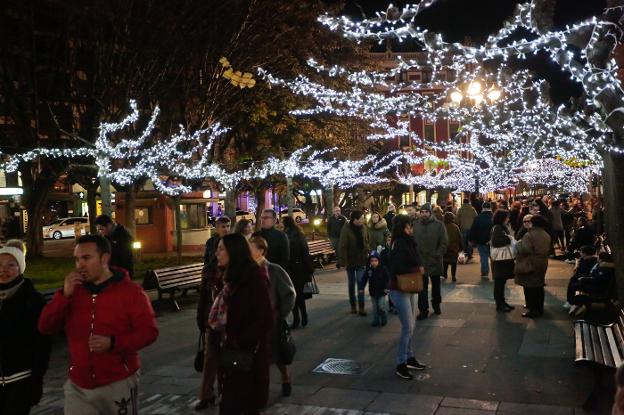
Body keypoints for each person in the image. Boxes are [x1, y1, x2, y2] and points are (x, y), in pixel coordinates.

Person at [39, 234, 158, 414]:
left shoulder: (131, 292)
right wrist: (63, 296)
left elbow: (149, 332)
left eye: (86, 258)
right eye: (77, 259)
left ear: (104, 258)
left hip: (118, 381)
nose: (80, 265)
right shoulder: (73, 292)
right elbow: (45, 326)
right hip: (78, 384)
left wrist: (114, 342)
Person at [208, 233, 273, 415]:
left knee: (241, 404)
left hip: (246, 357)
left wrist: (240, 341)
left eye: (221, 249)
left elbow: (265, 318)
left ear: (234, 252)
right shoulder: (227, 279)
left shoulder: (253, 278)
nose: (217, 254)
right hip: (229, 355)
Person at [0, 240, 51, 414]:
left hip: (21, 381)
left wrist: (36, 380)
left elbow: (43, 345)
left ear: (20, 268)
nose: (3, 270)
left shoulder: (33, 301)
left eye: (10, 265)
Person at [249, 236, 296, 397]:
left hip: (271, 321)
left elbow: (289, 294)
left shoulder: (274, 270)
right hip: (253, 321)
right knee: (258, 357)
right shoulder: (248, 270)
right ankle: (260, 389)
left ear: (261, 250)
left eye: (251, 248)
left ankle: (285, 378)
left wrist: (280, 314)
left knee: (276, 355)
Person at [388, 215, 426, 379]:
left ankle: (409, 357)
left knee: (412, 324)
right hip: (399, 286)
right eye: (410, 226)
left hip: (410, 285)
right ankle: (401, 363)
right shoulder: (399, 243)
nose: (412, 228)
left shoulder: (409, 241)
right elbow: (397, 266)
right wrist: (416, 268)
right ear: (403, 227)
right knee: (407, 327)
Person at [413, 203, 448, 318]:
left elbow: (444, 242)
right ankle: (423, 310)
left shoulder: (438, 225)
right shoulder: (416, 225)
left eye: (426, 212)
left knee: (436, 286)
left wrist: (438, 254)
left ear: (430, 213)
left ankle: (436, 304)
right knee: (421, 288)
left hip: (434, 260)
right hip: (420, 261)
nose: (423, 214)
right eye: (422, 212)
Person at [514, 215, 552, 318]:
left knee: (530, 286)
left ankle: (533, 309)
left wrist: (519, 245)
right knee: (539, 285)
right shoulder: (546, 234)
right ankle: (539, 308)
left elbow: (525, 250)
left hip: (531, 263)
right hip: (543, 262)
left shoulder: (529, 235)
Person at [282, 216, 314, 329]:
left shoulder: (286, 235)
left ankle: (297, 319)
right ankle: (302, 316)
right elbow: (305, 252)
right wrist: (309, 269)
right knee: (298, 295)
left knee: (295, 294)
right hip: (298, 268)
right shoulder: (298, 234)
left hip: (292, 269)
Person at [338, 210, 369, 316]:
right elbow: (343, 246)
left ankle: (361, 307)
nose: (362, 221)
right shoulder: (346, 229)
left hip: (361, 260)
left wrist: (368, 252)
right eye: (360, 219)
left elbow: (366, 241)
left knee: (361, 282)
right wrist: (344, 261)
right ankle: (353, 305)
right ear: (354, 220)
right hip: (350, 261)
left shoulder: (364, 228)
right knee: (352, 284)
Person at [569, 252, 615, 317]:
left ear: (601, 259)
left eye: (598, 258)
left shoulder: (604, 268)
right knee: (574, 283)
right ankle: (574, 303)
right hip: (594, 285)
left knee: (575, 287)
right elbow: (594, 276)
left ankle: (574, 302)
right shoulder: (601, 265)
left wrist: (584, 279)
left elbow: (597, 279)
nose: (597, 259)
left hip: (597, 288)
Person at [489, 210, 516, 312]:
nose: (508, 219)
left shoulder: (500, 227)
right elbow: (496, 242)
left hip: (502, 260)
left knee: (501, 282)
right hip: (499, 260)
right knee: (499, 283)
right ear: (502, 218)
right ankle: (499, 304)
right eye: (507, 217)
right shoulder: (497, 228)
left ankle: (502, 302)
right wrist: (508, 239)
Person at [565, 245, 598, 314]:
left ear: (585, 253)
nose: (580, 253)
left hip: (586, 280)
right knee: (572, 281)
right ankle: (570, 301)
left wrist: (579, 277)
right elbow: (580, 270)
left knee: (573, 285)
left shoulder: (592, 261)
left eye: (581, 252)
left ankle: (571, 301)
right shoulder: (583, 259)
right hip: (582, 278)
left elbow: (588, 273)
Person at [360, 251, 390, 327]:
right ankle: (376, 320)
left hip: (382, 292)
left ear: (379, 261)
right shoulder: (369, 270)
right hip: (373, 292)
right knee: (375, 307)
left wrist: (387, 288)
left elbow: (387, 279)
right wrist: (361, 288)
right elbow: (364, 279)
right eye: (372, 261)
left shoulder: (383, 269)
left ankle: (383, 318)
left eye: (375, 261)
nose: (373, 262)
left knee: (381, 306)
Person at [469, 201, 494, 279]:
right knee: (493, 257)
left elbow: (473, 229)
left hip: (481, 241)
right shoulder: (494, 217)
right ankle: (495, 273)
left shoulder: (478, 218)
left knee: (483, 257)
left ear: (483, 208)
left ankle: (484, 273)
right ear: (490, 208)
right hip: (492, 241)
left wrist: (471, 239)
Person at [443, 212, 462, 282]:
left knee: (445, 262)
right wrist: (461, 247)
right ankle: (453, 276)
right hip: (454, 248)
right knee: (454, 263)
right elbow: (459, 238)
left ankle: (444, 273)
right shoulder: (455, 227)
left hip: (445, 248)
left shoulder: (443, 226)